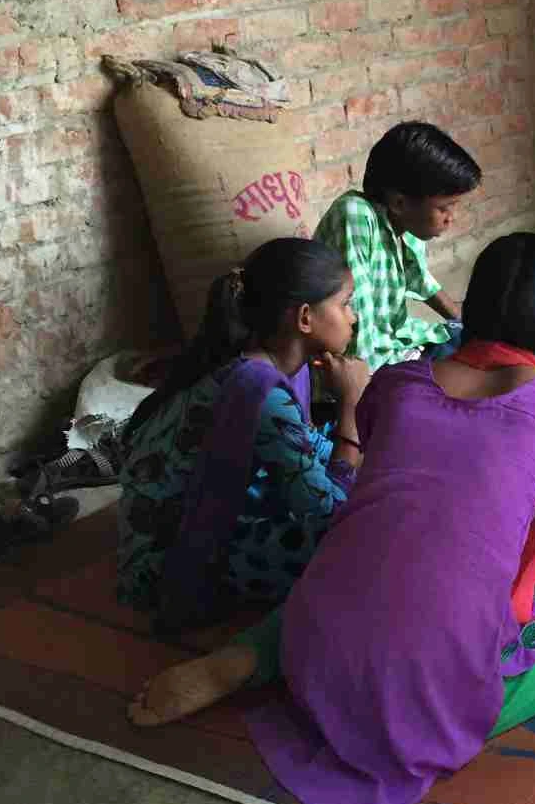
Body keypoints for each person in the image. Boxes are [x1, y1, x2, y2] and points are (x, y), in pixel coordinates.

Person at [127, 234, 535, 804]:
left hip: (314, 637)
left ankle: (247, 657)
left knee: (384, 556)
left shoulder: (398, 382)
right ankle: (456, 701)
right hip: (416, 681)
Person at [116, 239, 370, 638]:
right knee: (361, 543)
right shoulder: (259, 388)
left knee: (371, 491)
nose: (354, 317)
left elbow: (307, 447)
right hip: (174, 564)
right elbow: (327, 511)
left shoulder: (283, 366)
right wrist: (351, 405)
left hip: (215, 528)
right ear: (305, 318)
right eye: (345, 303)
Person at [313, 120, 481, 369]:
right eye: (444, 208)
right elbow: (359, 327)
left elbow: (419, 279)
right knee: (471, 370)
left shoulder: (406, 223)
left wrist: (462, 323)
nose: (451, 217)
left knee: (491, 345)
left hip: (399, 340)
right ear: (399, 203)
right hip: (366, 364)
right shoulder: (356, 217)